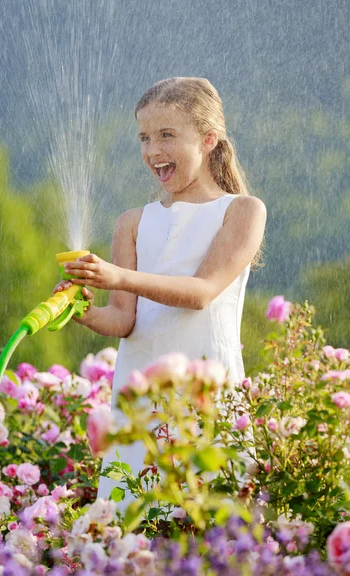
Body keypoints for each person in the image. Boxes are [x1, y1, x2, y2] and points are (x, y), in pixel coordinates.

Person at [54, 77, 267, 509]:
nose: (153, 151)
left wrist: (118, 277)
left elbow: (202, 292)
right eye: (144, 138)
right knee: (133, 525)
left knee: (206, 527)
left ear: (209, 140)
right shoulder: (133, 222)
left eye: (167, 135)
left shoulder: (242, 210)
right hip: (139, 402)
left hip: (205, 392)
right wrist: (82, 309)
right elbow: (124, 320)